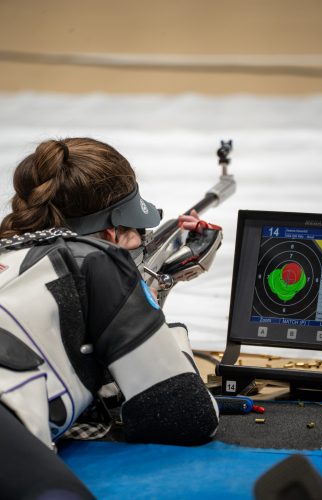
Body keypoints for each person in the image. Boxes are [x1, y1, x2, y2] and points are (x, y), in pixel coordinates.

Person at [0, 137, 221, 499]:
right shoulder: (99, 259)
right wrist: (155, 297)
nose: (142, 244)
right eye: (139, 233)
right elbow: (185, 416)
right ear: (110, 234)